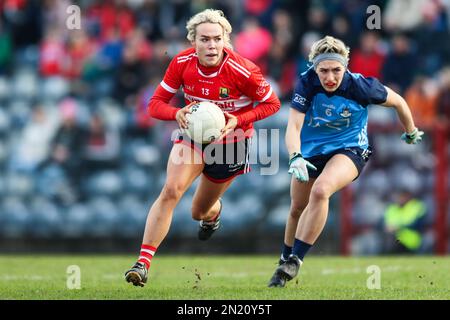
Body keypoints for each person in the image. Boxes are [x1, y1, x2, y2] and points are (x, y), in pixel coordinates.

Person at [125, 9, 280, 287]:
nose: (211, 45)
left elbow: (273, 104)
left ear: (225, 40)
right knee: (171, 191)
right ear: (193, 42)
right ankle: (143, 263)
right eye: (204, 40)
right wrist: (177, 113)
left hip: (231, 145)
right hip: (193, 138)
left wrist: (240, 119)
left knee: (199, 211)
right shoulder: (182, 62)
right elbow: (154, 104)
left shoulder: (243, 69)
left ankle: (212, 215)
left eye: (217, 39)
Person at [268, 35, 423, 288]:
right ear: (314, 68)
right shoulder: (306, 83)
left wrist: (411, 130)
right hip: (310, 152)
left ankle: (296, 259)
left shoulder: (361, 86)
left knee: (321, 190)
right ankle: (284, 259)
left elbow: (399, 102)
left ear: (346, 67)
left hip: (350, 149)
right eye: (324, 71)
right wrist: (295, 155)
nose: (330, 77)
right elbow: (293, 127)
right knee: (297, 208)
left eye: (336, 70)